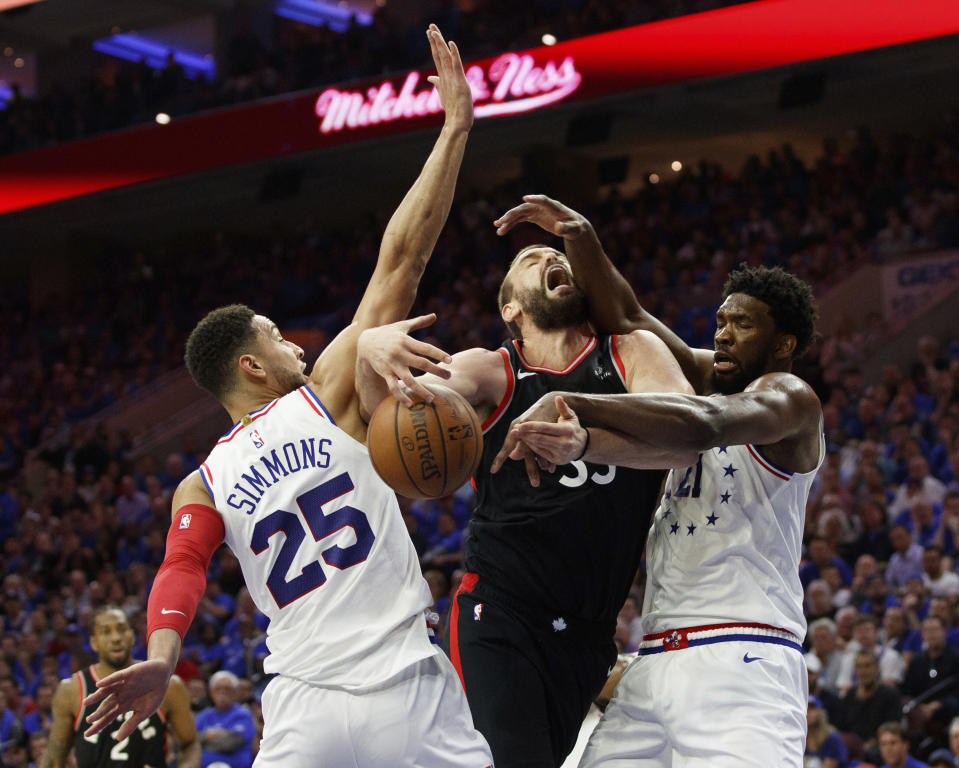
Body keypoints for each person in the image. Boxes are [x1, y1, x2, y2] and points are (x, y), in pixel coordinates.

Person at [81, 26, 493, 768]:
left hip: (305, 707)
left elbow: (182, 568)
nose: (296, 344)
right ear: (252, 364)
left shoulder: (199, 481)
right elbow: (403, 257)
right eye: (277, 336)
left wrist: (161, 654)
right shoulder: (327, 394)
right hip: (405, 688)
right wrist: (454, 131)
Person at [489, 195, 824, 767]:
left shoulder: (789, 399)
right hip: (655, 656)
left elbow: (705, 424)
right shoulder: (704, 376)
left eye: (743, 326)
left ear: (784, 344)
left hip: (742, 656)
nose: (722, 335)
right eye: (720, 321)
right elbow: (629, 319)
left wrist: (576, 402)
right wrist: (580, 235)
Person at [355, 203, 692, 766]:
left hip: (587, 634)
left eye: (557, 255)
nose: (550, 258)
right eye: (533, 259)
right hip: (501, 613)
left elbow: (687, 438)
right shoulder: (492, 369)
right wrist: (368, 351)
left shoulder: (631, 351)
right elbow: (392, 422)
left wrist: (588, 443)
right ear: (511, 307)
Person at [41, 605, 199, 768]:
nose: (116, 638)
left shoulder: (167, 684)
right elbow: (55, 756)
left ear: (132, 636)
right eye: (106, 631)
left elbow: (190, 743)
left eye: (122, 629)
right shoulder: (71, 690)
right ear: (94, 642)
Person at [835, 651, 903, 754]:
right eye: (859, 667)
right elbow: (841, 727)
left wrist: (870, 744)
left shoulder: (890, 695)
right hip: (851, 749)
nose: (863, 671)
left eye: (867, 666)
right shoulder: (850, 695)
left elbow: (892, 727)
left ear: (877, 668)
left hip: (880, 749)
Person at [194, 671, 255, 768]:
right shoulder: (204, 715)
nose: (222, 692)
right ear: (211, 693)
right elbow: (191, 739)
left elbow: (229, 744)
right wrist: (213, 735)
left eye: (227, 689)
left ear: (235, 692)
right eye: (218, 689)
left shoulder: (243, 714)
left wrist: (204, 741)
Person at [805, 695, 849, 768]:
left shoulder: (832, 738)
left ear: (820, 713)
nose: (807, 712)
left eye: (812, 709)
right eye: (805, 708)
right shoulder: (800, 738)